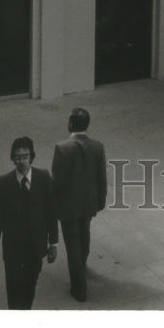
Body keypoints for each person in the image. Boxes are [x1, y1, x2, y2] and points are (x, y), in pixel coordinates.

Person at [0, 136, 58, 310]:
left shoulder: (43, 177)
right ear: (12, 158)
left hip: (36, 246)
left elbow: (51, 213)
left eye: (25, 156)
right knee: (13, 289)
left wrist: (53, 243)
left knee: (30, 286)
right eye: (17, 157)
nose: (21, 161)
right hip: (13, 248)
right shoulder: (4, 182)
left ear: (31, 157)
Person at [51, 107, 107, 302]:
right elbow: (102, 177)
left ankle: (79, 287)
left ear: (71, 123)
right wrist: (100, 200)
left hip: (68, 205)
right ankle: (82, 265)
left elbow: (57, 182)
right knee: (85, 235)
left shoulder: (62, 148)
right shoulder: (98, 146)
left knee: (72, 244)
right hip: (88, 203)